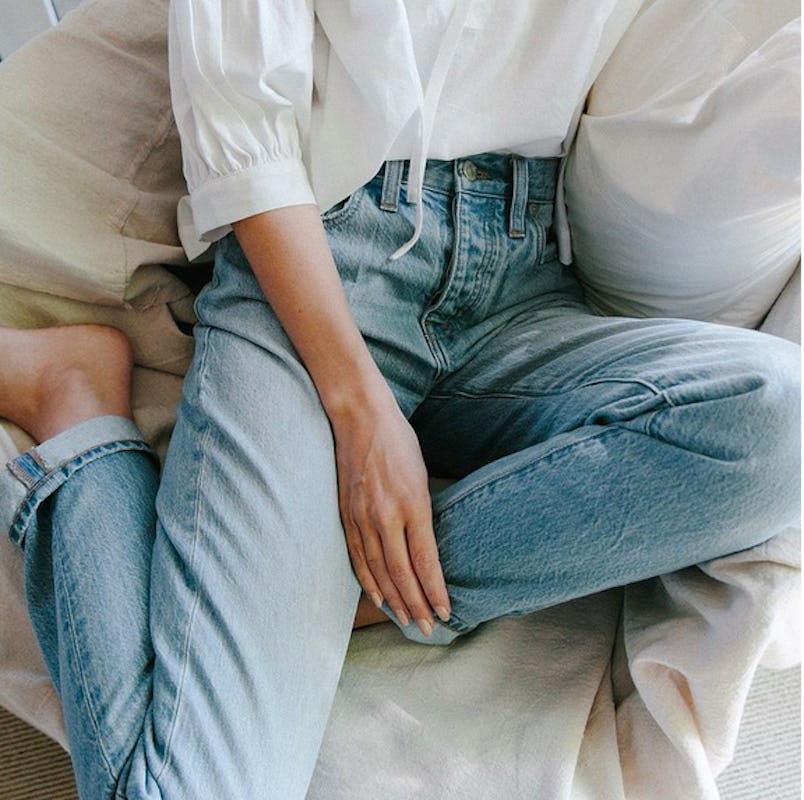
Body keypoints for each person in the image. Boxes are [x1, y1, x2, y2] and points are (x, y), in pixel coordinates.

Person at [1, 2, 800, 798]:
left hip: (525, 272)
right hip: (322, 264)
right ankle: (75, 408)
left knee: (776, 415)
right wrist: (359, 409)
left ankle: (361, 593)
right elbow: (238, 129)